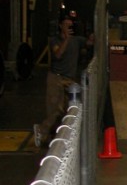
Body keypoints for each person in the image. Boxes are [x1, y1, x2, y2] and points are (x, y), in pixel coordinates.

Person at [33, 15, 93, 147]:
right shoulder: (55, 40)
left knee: (70, 108)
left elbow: (89, 43)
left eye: (70, 25)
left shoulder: (77, 40)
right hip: (56, 77)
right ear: (60, 26)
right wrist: (66, 40)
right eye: (66, 25)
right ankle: (42, 132)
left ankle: (60, 135)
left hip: (69, 79)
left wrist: (94, 34)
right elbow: (58, 55)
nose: (68, 27)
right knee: (54, 109)